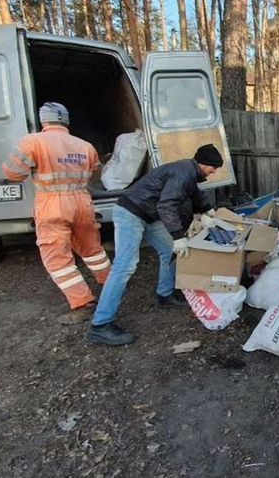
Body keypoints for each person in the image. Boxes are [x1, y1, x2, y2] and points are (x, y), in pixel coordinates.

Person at [87, 143, 223, 346]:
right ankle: (100, 326)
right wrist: (178, 235)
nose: (215, 172)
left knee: (170, 251)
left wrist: (209, 211)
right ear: (203, 164)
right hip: (131, 213)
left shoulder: (189, 171)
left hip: (148, 214)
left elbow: (194, 194)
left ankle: (165, 295)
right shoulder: (184, 173)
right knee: (125, 266)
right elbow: (166, 204)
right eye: (214, 167)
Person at [2, 102, 111, 324]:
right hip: (82, 202)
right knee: (93, 249)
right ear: (66, 121)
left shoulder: (32, 142)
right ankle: (112, 284)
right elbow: (94, 171)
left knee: (57, 259)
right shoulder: (85, 145)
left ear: (44, 121)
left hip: (52, 204)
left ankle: (82, 301)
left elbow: (13, 174)